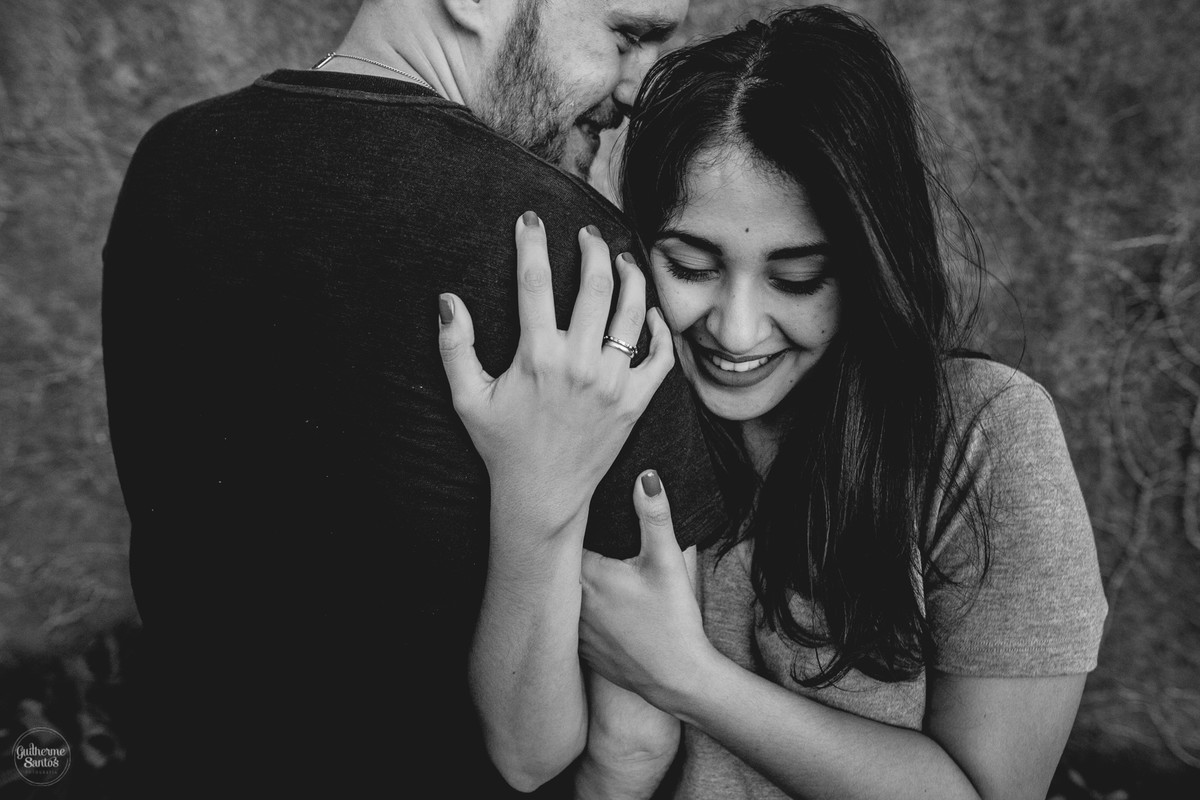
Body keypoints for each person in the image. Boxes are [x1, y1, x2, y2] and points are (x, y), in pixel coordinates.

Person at [436, 6, 1108, 799]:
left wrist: (687, 677)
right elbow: (537, 754)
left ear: (870, 266)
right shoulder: (617, 413)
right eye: (691, 265)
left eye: (797, 278)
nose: (737, 328)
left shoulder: (986, 437)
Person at [101, 0, 725, 796]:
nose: (640, 88)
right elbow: (632, 735)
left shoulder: (170, 164)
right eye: (626, 35)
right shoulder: (567, 257)